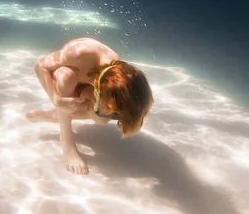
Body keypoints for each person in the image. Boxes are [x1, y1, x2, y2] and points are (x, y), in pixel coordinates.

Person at [26, 37, 154, 174]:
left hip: (87, 87)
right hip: (66, 82)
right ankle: (67, 142)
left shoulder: (118, 76)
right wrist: (56, 99)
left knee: (101, 119)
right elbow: (40, 65)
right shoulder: (82, 54)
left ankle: (53, 115)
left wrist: (107, 112)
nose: (109, 113)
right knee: (66, 77)